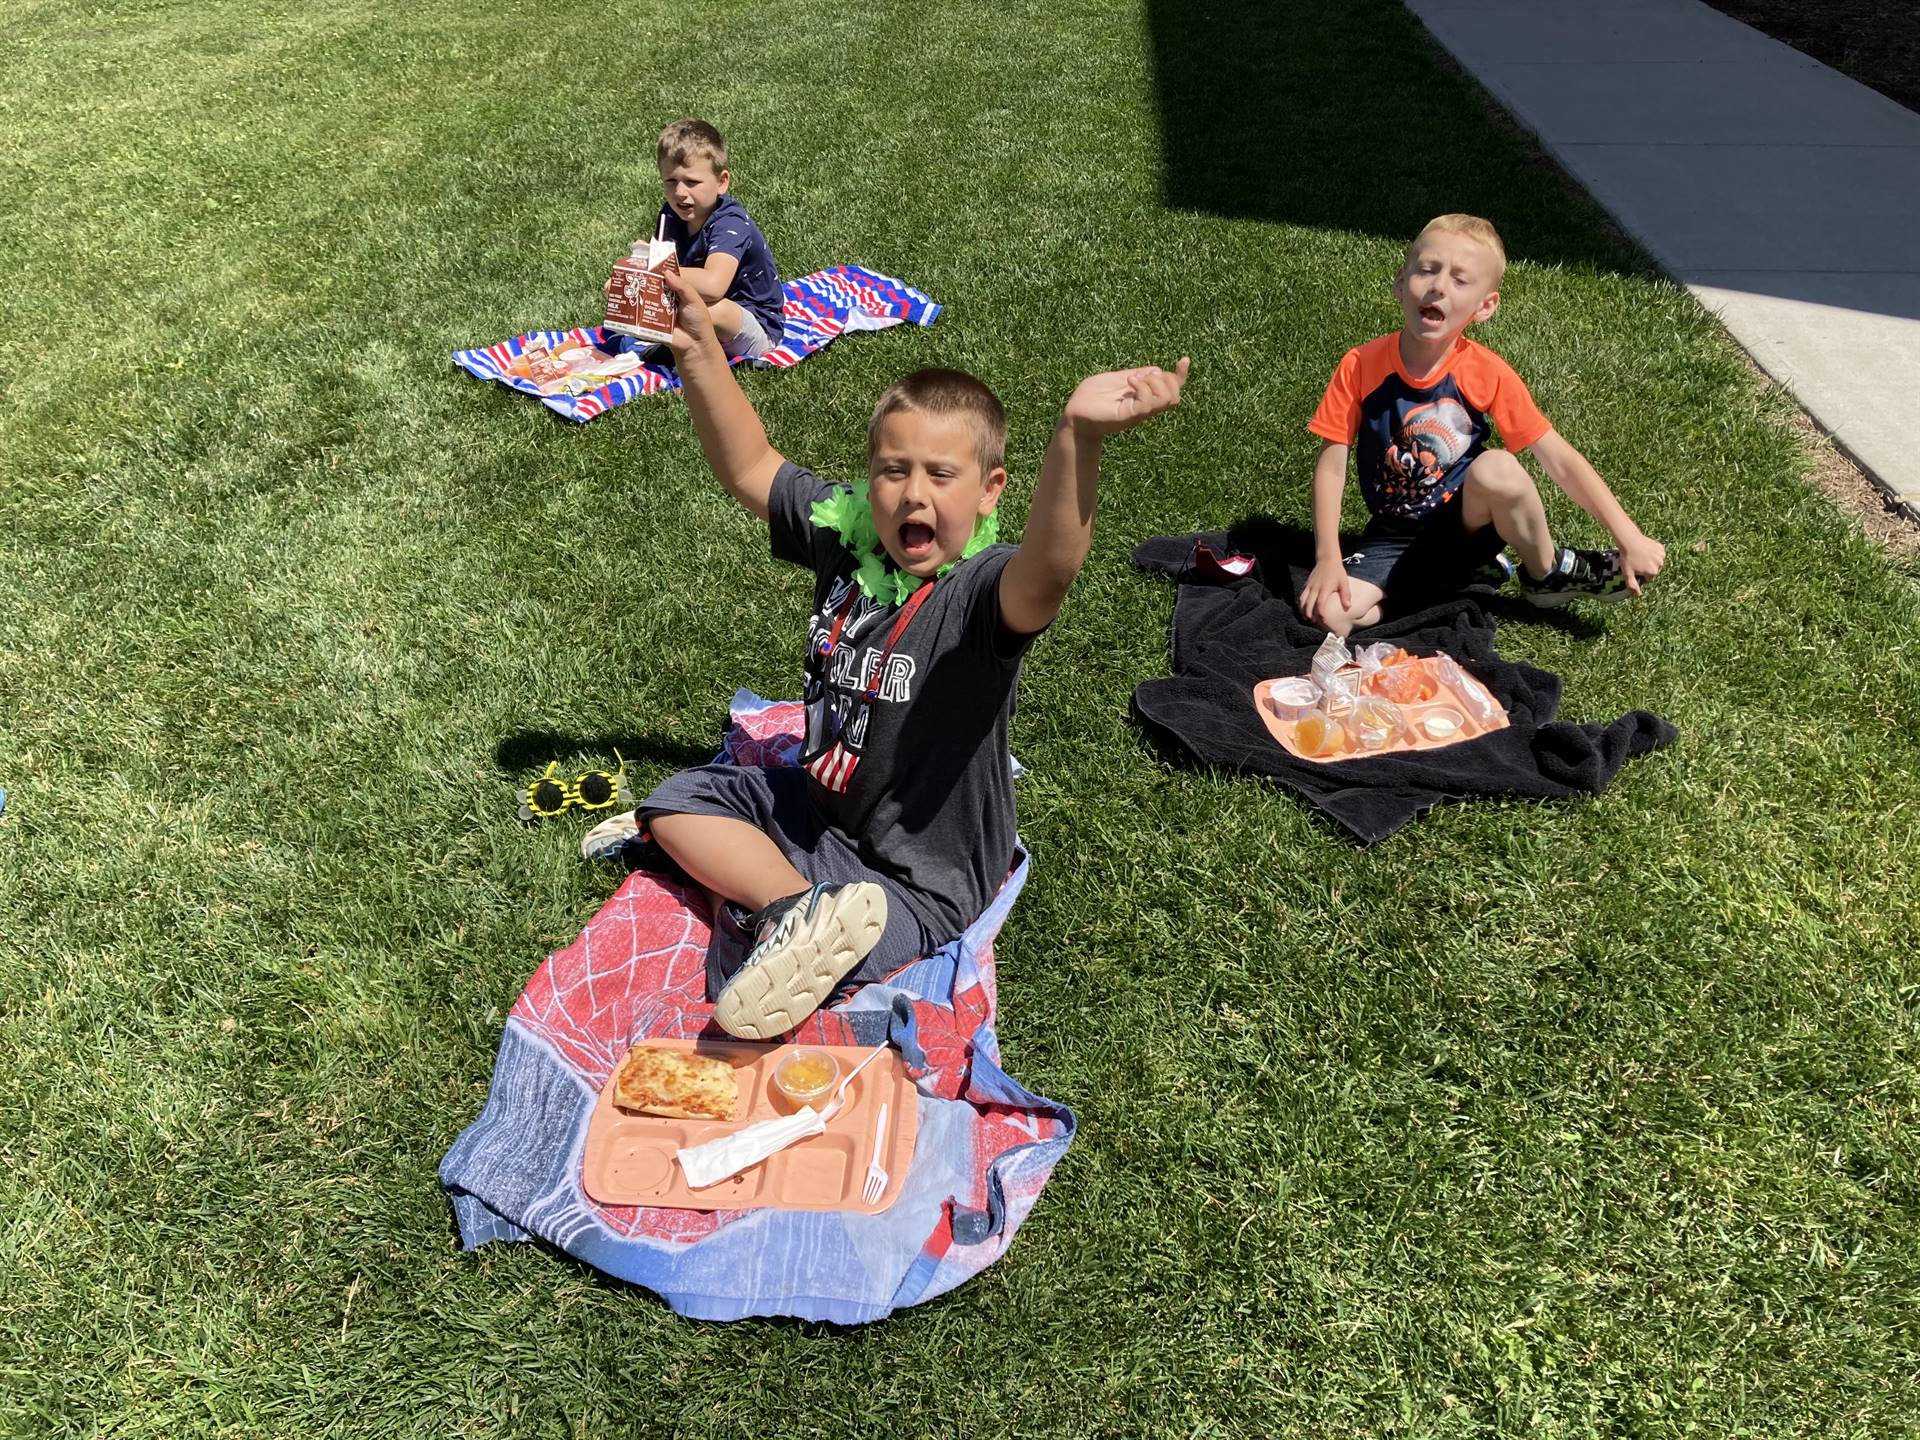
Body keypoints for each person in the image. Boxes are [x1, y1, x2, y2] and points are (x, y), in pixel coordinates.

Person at [586, 269, 1188, 1039]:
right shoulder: (846, 536)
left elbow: (1051, 568)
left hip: (921, 878)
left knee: (808, 986)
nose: (914, 494)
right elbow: (749, 466)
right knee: (675, 804)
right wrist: (699, 347)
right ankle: (796, 911)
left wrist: (1078, 436)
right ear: (868, 483)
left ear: (989, 490)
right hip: (821, 815)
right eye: (894, 471)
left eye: (942, 475)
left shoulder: (979, 594)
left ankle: (808, 931)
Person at [1299, 213, 1665, 636]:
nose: (1438, 286)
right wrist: (1327, 556)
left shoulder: (1486, 372)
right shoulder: (1360, 365)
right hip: (1394, 534)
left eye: (1460, 280)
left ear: (1485, 306)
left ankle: (1545, 572)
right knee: (1327, 613)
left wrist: (1629, 536)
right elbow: (1331, 466)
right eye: (1427, 270)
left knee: (1498, 467)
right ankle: (1456, 582)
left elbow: (1559, 459)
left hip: (1467, 522)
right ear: (1401, 283)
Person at [606, 118, 785, 361]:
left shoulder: (730, 222)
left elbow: (713, 285)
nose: (680, 192)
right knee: (641, 297)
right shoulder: (670, 215)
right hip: (697, 310)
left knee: (716, 311)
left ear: (722, 182)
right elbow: (669, 281)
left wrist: (654, 266)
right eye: (671, 181)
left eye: (692, 182)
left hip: (753, 326)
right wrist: (630, 283)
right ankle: (667, 339)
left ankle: (665, 340)